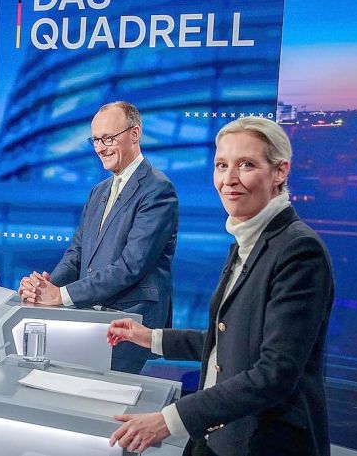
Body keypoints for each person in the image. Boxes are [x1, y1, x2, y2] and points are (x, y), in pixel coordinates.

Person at [106, 117, 334, 456]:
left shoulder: (299, 250)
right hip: (218, 437)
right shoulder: (247, 242)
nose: (229, 179)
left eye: (246, 165)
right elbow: (231, 343)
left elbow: (274, 373)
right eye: (221, 165)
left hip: (264, 442)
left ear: (280, 172)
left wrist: (169, 420)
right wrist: (149, 337)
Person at [18, 101, 178, 373]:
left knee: (107, 409)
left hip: (130, 321)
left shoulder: (158, 190)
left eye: (108, 138)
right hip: (92, 317)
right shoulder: (99, 191)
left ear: (135, 134)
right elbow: (77, 252)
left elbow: (131, 266)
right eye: (95, 140)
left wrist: (61, 295)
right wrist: (46, 288)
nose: (100, 148)